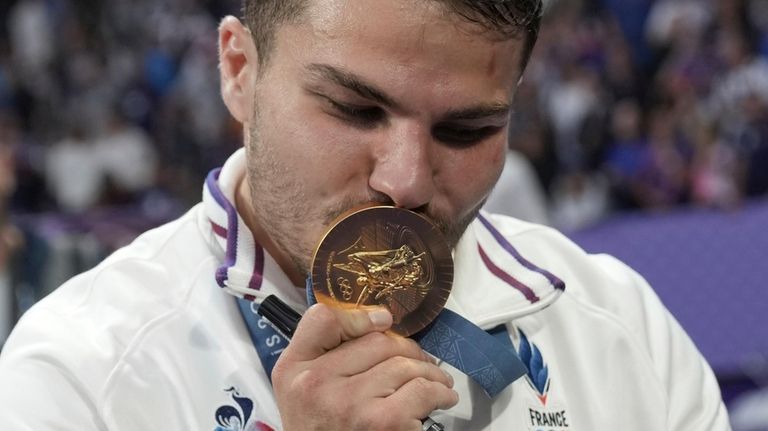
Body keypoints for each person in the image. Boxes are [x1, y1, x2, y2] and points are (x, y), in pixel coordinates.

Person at [0, 1, 730, 429]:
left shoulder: (625, 330)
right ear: (237, 71)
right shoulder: (77, 376)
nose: (406, 182)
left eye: (466, 130)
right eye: (354, 109)